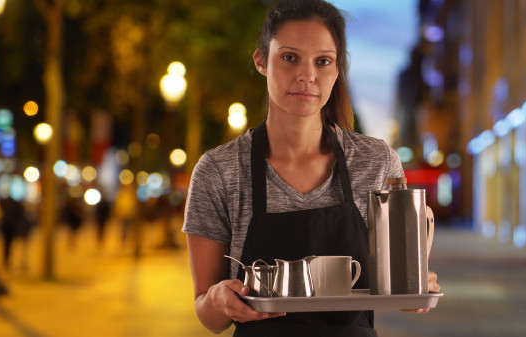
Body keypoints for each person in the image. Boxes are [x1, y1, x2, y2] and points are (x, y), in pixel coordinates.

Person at [182, 0, 441, 335]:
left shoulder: (376, 162)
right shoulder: (218, 171)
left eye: (323, 61)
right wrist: (217, 299)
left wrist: (415, 285)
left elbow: (398, 286)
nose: (306, 75)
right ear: (262, 61)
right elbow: (209, 318)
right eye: (290, 58)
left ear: (337, 70)